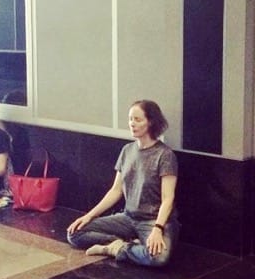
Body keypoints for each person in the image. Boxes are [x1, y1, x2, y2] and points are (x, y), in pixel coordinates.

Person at [67, 99, 179, 267]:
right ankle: (119, 243)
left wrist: (158, 228)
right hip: (128, 217)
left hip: (154, 220)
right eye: (130, 119)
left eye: (137, 119)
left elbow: (168, 198)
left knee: (159, 258)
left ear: (151, 122)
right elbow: (115, 190)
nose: (132, 124)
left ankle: (119, 248)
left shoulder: (165, 155)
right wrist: (89, 216)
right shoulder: (127, 151)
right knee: (74, 233)